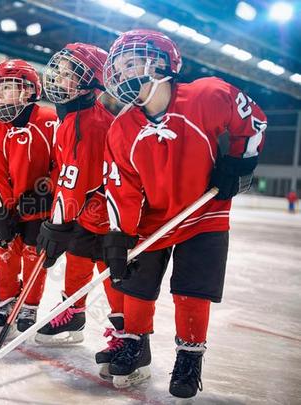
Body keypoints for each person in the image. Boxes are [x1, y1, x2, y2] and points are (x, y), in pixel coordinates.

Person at [101, 29, 267, 397]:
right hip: (154, 217)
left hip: (204, 210)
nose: (121, 72)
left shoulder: (207, 95)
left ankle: (189, 358)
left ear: (159, 63)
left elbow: (253, 121)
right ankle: (134, 343)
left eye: (130, 62)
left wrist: (239, 163)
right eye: (119, 65)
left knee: (192, 289)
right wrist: (119, 234)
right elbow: (121, 187)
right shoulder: (121, 128)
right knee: (135, 282)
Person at [33, 44, 125, 366]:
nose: (59, 77)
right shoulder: (73, 116)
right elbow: (66, 173)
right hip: (89, 211)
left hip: (108, 214)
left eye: (70, 73)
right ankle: (73, 313)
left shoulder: (88, 124)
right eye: (60, 69)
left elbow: (78, 184)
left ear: (91, 83)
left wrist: (57, 224)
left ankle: (126, 333)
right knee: (77, 256)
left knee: (110, 270)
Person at [0, 59, 57, 332]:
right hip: (11, 206)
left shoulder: (48, 120)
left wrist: (47, 190)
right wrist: (1, 210)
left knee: (34, 255)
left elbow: (63, 162)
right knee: (5, 250)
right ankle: (8, 298)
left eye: (6, 88)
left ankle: (29, 305)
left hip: (40, 207)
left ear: (27, 91)